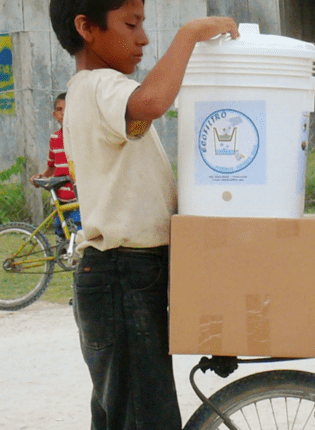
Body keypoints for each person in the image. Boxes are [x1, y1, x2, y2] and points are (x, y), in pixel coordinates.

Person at [48, 0, 238, 428]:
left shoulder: (100, 95)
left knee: (129, 415)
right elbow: (153, 100)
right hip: (121, 274)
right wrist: (190, 33)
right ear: (86, 28)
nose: (143, 38)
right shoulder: (98, 85)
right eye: (131, 24)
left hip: (126, 273)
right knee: (143, 417)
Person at [30, 92, 81, 239]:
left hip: (78, 196)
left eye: (68, 108)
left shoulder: (82, 136)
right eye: (59, 109)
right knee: (61, 233)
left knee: (79, 233)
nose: (64, 112)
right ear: (54, 114)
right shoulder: (54, 138)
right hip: (59, 196)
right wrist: (41, 177)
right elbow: (52, 167)